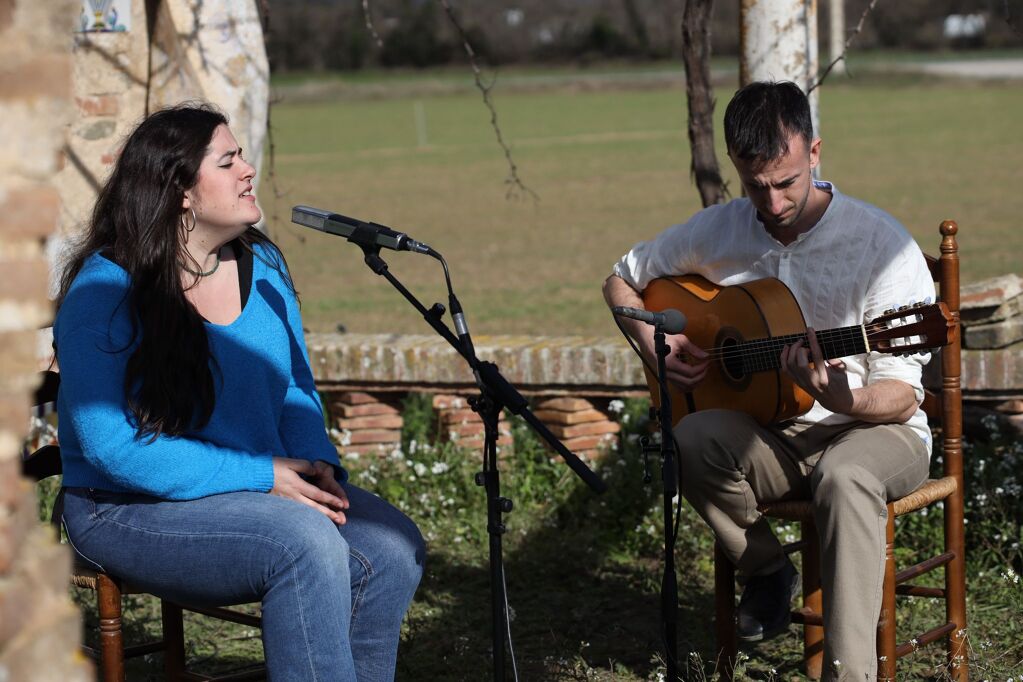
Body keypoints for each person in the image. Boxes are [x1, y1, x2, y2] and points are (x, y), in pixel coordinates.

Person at [55, 103, 425, 681]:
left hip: (251, 489)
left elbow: (296, 390)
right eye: (228, 161)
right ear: (179, 189)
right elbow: (110, 449)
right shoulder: (105, 291)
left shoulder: (265, 266)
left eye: (242, 155)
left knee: (392, 548)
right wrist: (263, 475)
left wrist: (315, 462)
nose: (249, 170)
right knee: (303, 544)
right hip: (123, 508)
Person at [603, 81, 934, 681]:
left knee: (847, 474)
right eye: (757, 187)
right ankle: (766, 569)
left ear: (814, 153)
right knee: (692, 436)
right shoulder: (718, 230)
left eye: (786, 183)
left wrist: (845, 397)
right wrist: (654, 344)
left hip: (879, 431)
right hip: (774, 433)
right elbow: (622, 281)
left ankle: (848, 675)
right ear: (736, 167)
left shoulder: (882, 246)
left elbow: (903, 393)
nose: (774, 203)